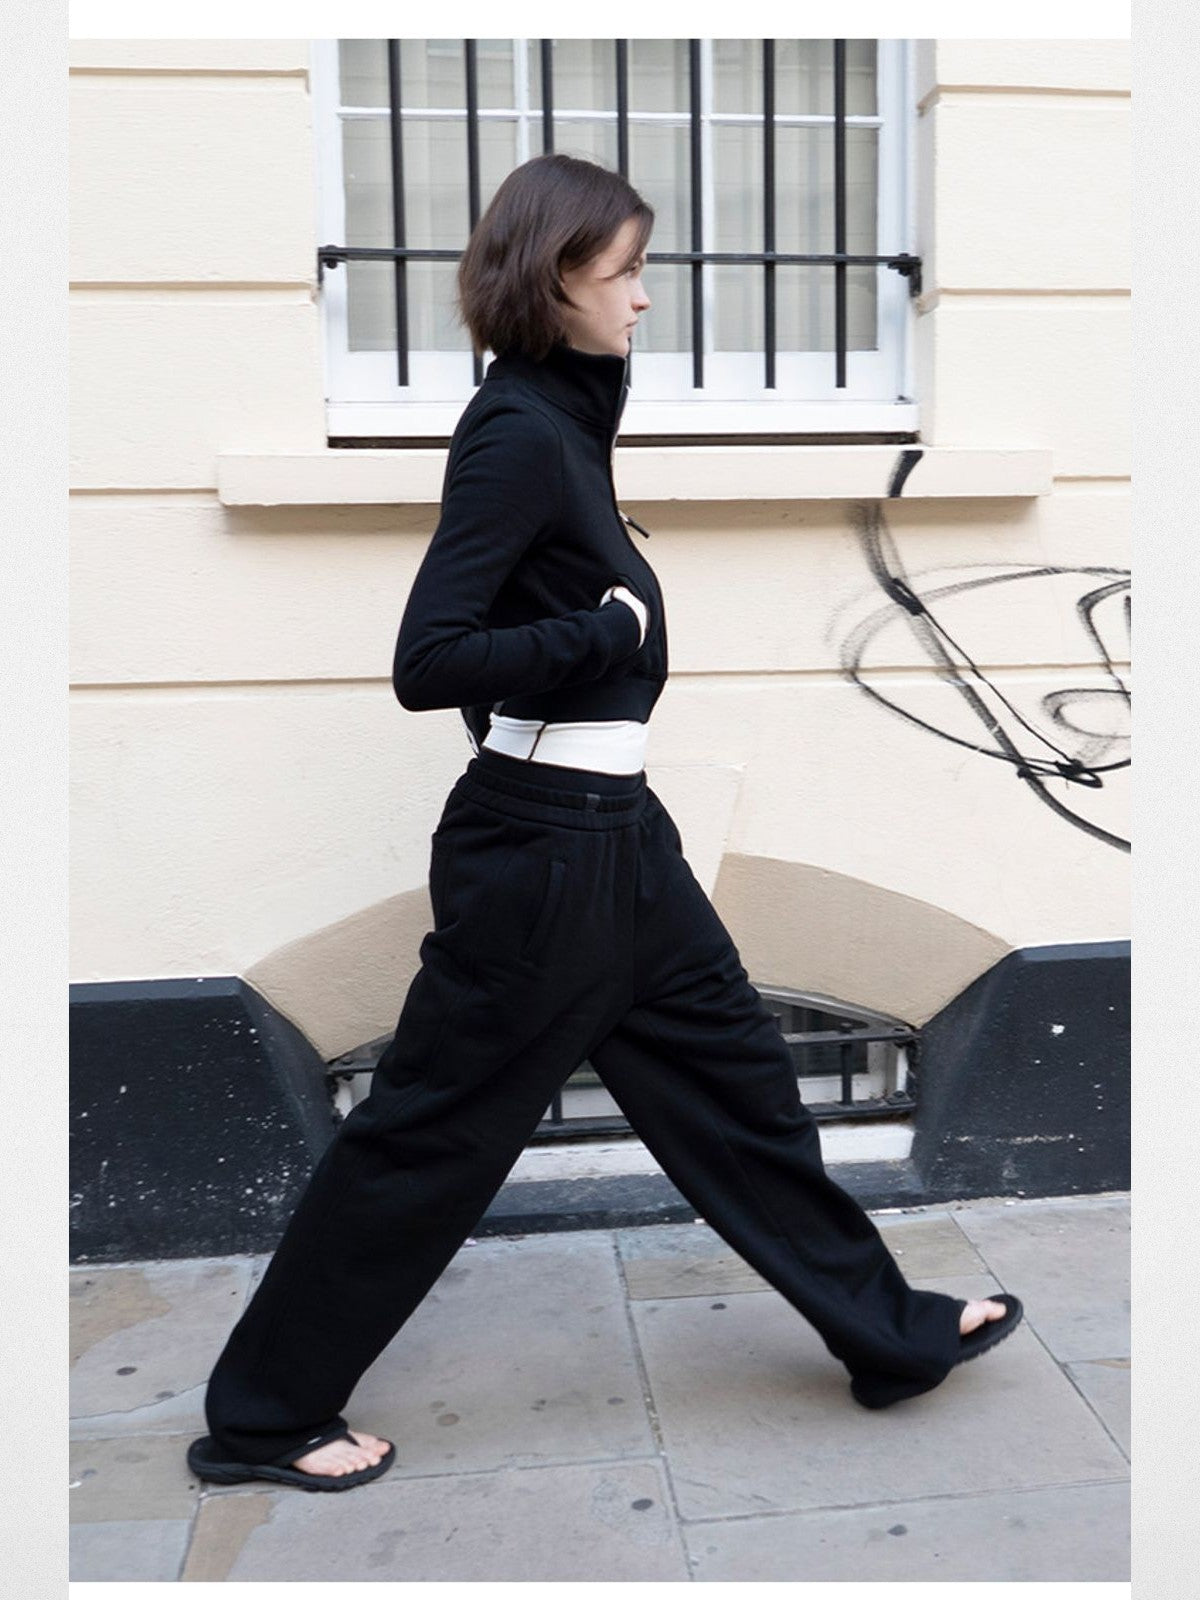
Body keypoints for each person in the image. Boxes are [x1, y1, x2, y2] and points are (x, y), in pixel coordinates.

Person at [187, 153, 1022, 1494]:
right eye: (623, 271)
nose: (643, 296)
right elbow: (431, 659)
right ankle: (262, 1418)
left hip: (614, 835)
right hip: (548, 856)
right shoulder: (519, 433)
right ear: (553, 276)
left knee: (738, 1088)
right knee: (431, 1135)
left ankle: (888, 1334)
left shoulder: (566, 422)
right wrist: (601, 635)